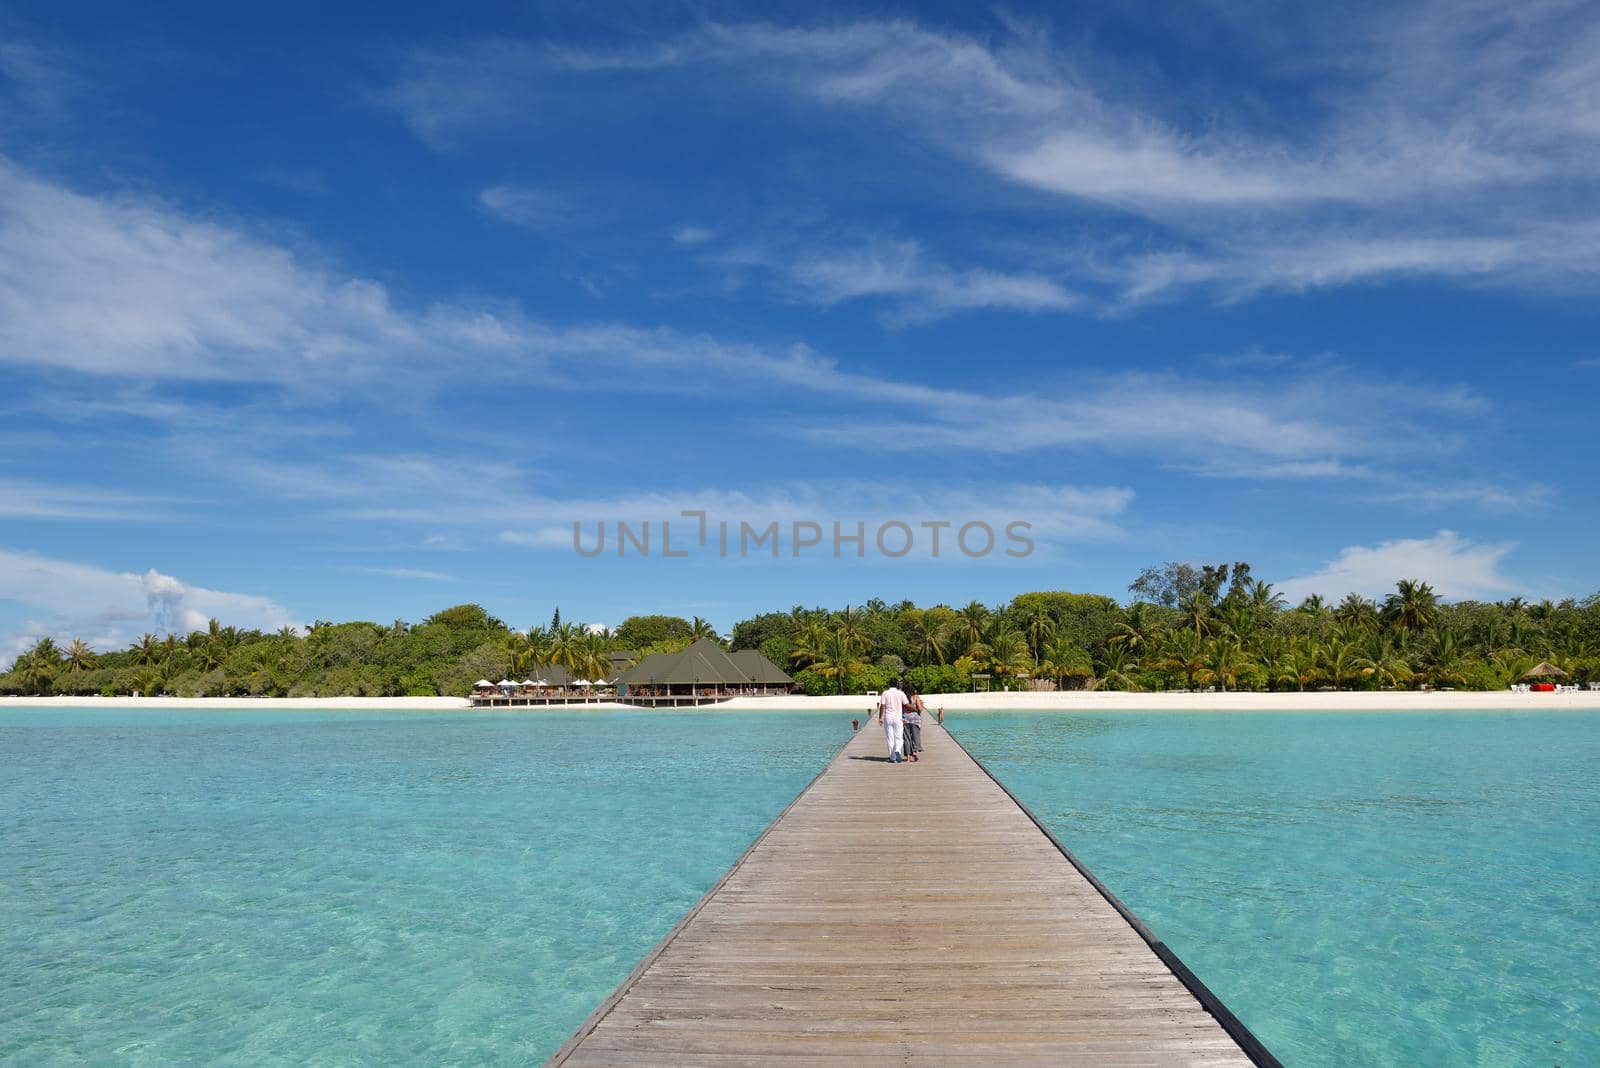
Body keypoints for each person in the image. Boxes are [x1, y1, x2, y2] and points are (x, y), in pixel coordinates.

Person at [877, 681, 907, 763]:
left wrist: (880, 718)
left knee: (890, 738)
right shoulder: (901, 693)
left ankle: (892, 758)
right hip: (898, 718)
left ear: (889, 684)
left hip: (888, 718)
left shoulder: (885, 693)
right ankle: (897, 750)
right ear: (897, 685)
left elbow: (882, 706)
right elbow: (906, 704)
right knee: (899, 737)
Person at [902, 685, 924, 762]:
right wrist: (921, 705)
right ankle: (915, 753)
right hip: (915, 720)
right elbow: (920, 709)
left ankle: (908, 757)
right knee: (915, 737)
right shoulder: (915, 697)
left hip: (905, 719)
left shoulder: (903, 697)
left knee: (906, 738)